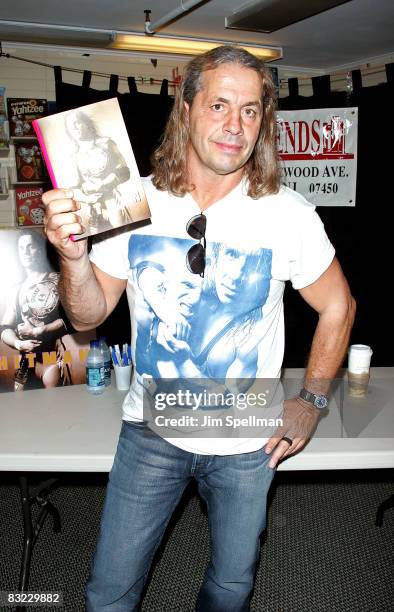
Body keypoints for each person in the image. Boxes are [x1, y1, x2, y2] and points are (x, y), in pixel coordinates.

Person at [42, 45, 356, 612]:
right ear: (185, 109)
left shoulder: (288, 214)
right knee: (108, 596)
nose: (234, 125)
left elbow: (339, 306)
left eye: (251, 110)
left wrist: (310, 398)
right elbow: (88, 317)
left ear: (263, 124)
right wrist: (72, 258)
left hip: (246, 444)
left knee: (231, 587)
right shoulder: (129, 200)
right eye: (218, 105)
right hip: (151, 433)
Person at [0, 230, 69, 390]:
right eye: (21, 248)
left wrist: (42, 329)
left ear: (40, 249)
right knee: (24, 412)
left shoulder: (58, 280)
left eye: (30, 246)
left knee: (54, 410)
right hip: (26, 363)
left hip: (51, 360)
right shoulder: (15, 290)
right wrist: (18, 343)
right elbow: (4, 328)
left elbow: (74, 319)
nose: (26, 252)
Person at [64, 109, 131, 232]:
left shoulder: (107, 143)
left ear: (86, 123)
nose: (74, 128)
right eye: (70, 126)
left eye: (77, 123)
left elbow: (124, 172)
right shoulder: (74, 157)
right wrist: (86, 198)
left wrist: (103, 183)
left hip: (115, 205)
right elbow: (74, 188)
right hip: (94, 213)